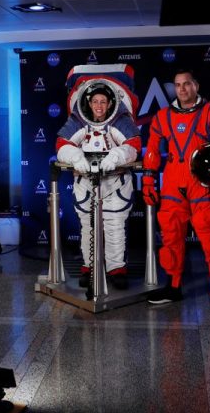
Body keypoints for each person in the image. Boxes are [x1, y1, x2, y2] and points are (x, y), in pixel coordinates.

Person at [142, 69, 210, 318]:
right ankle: (173, 286)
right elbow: (152, 149)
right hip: (172, 182)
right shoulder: (163, 116)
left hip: (202, 183)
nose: (182, 89)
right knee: (170, 235)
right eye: (178, 85)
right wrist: (149, 179)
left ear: (196, 85)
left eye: (187, 84)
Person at [56, 81, 141, 289]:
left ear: (111, 102)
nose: (99, 106)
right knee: (88, 226)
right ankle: (89, 267)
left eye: (103, 101)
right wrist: (76, 157)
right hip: (86, 181)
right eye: (95, 102)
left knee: (114, 226)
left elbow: (134, 143)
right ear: (89, 103)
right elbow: (61, 144)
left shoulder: (121, 119)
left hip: (115, 181)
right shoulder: (78, 120)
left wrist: (116, 156)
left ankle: (116, 269)